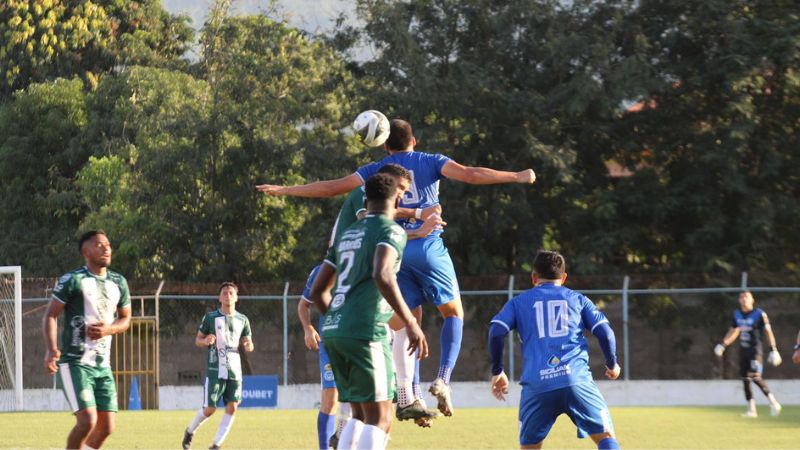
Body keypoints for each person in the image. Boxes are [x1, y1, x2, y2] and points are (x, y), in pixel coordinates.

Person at [257, 118, 535, 416]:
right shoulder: (429, 160)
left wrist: (286, 189)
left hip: (394, 249)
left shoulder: (376, 172)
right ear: (413, 140)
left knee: (404, 320)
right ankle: (442, 378)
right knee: (453, 313)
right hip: (427, 245)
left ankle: (408, 393)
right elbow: (470, 174)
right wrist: (515, 176)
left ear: (385, 145)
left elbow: (331, 188)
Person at [309, 173, 429, 449]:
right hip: (366, 330)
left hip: (335, 329)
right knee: (382, 416)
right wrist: (410, 321)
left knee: (360, 414)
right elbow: (383, 274)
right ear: (398, 198)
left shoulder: (347, 233)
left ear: (366, 200)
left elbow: (318, 291)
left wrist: (339, 320)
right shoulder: (391, 231)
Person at [488, 250, 621, 450]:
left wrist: (498, 371)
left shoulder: (518, 303)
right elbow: (606, 333)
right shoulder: (578, 300)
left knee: (530, 446)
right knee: (606, 437)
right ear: (564, 277)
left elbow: (496, 332)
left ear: (533, 276)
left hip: (537, 386)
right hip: (576, 381)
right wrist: (612, 363)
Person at [42, 230, 132, 449]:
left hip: (103, 366)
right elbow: (50, 315)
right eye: (99, 245)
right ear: (85, 251)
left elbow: (126, 319)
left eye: (108, 245)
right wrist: (51, 348)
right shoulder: (73, 280)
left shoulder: (118, 282)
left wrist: (108, 329)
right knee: (87, 421)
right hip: (76, 363)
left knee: (107, 427)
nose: (106, 248)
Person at [182, 282, 255, 449]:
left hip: (235, 369)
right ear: (219, 297)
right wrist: (206, 340)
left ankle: (216, 444)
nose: (227, 296)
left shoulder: (242, 319)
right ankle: (190, 431)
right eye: (224, 293)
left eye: (231, 293)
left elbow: (248, 341)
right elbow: (198, 340)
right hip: (216, 368)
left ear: (236, 297)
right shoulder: (210, 317)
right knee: (210, 409)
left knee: (233, 406)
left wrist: (249, 345)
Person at [713, 291, 782, 417]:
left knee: (755, 377)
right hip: (743, 351)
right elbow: (734, 331)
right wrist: (723, 344)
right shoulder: (737, 314)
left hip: (755, 351)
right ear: (739, 300)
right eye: (741, 297)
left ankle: (774, 403)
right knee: (745, 379)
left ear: (752, 300)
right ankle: (751, 410)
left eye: (747, 297)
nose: (744, 299)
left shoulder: (759, 314)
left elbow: (768, 331)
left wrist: (773, 349)